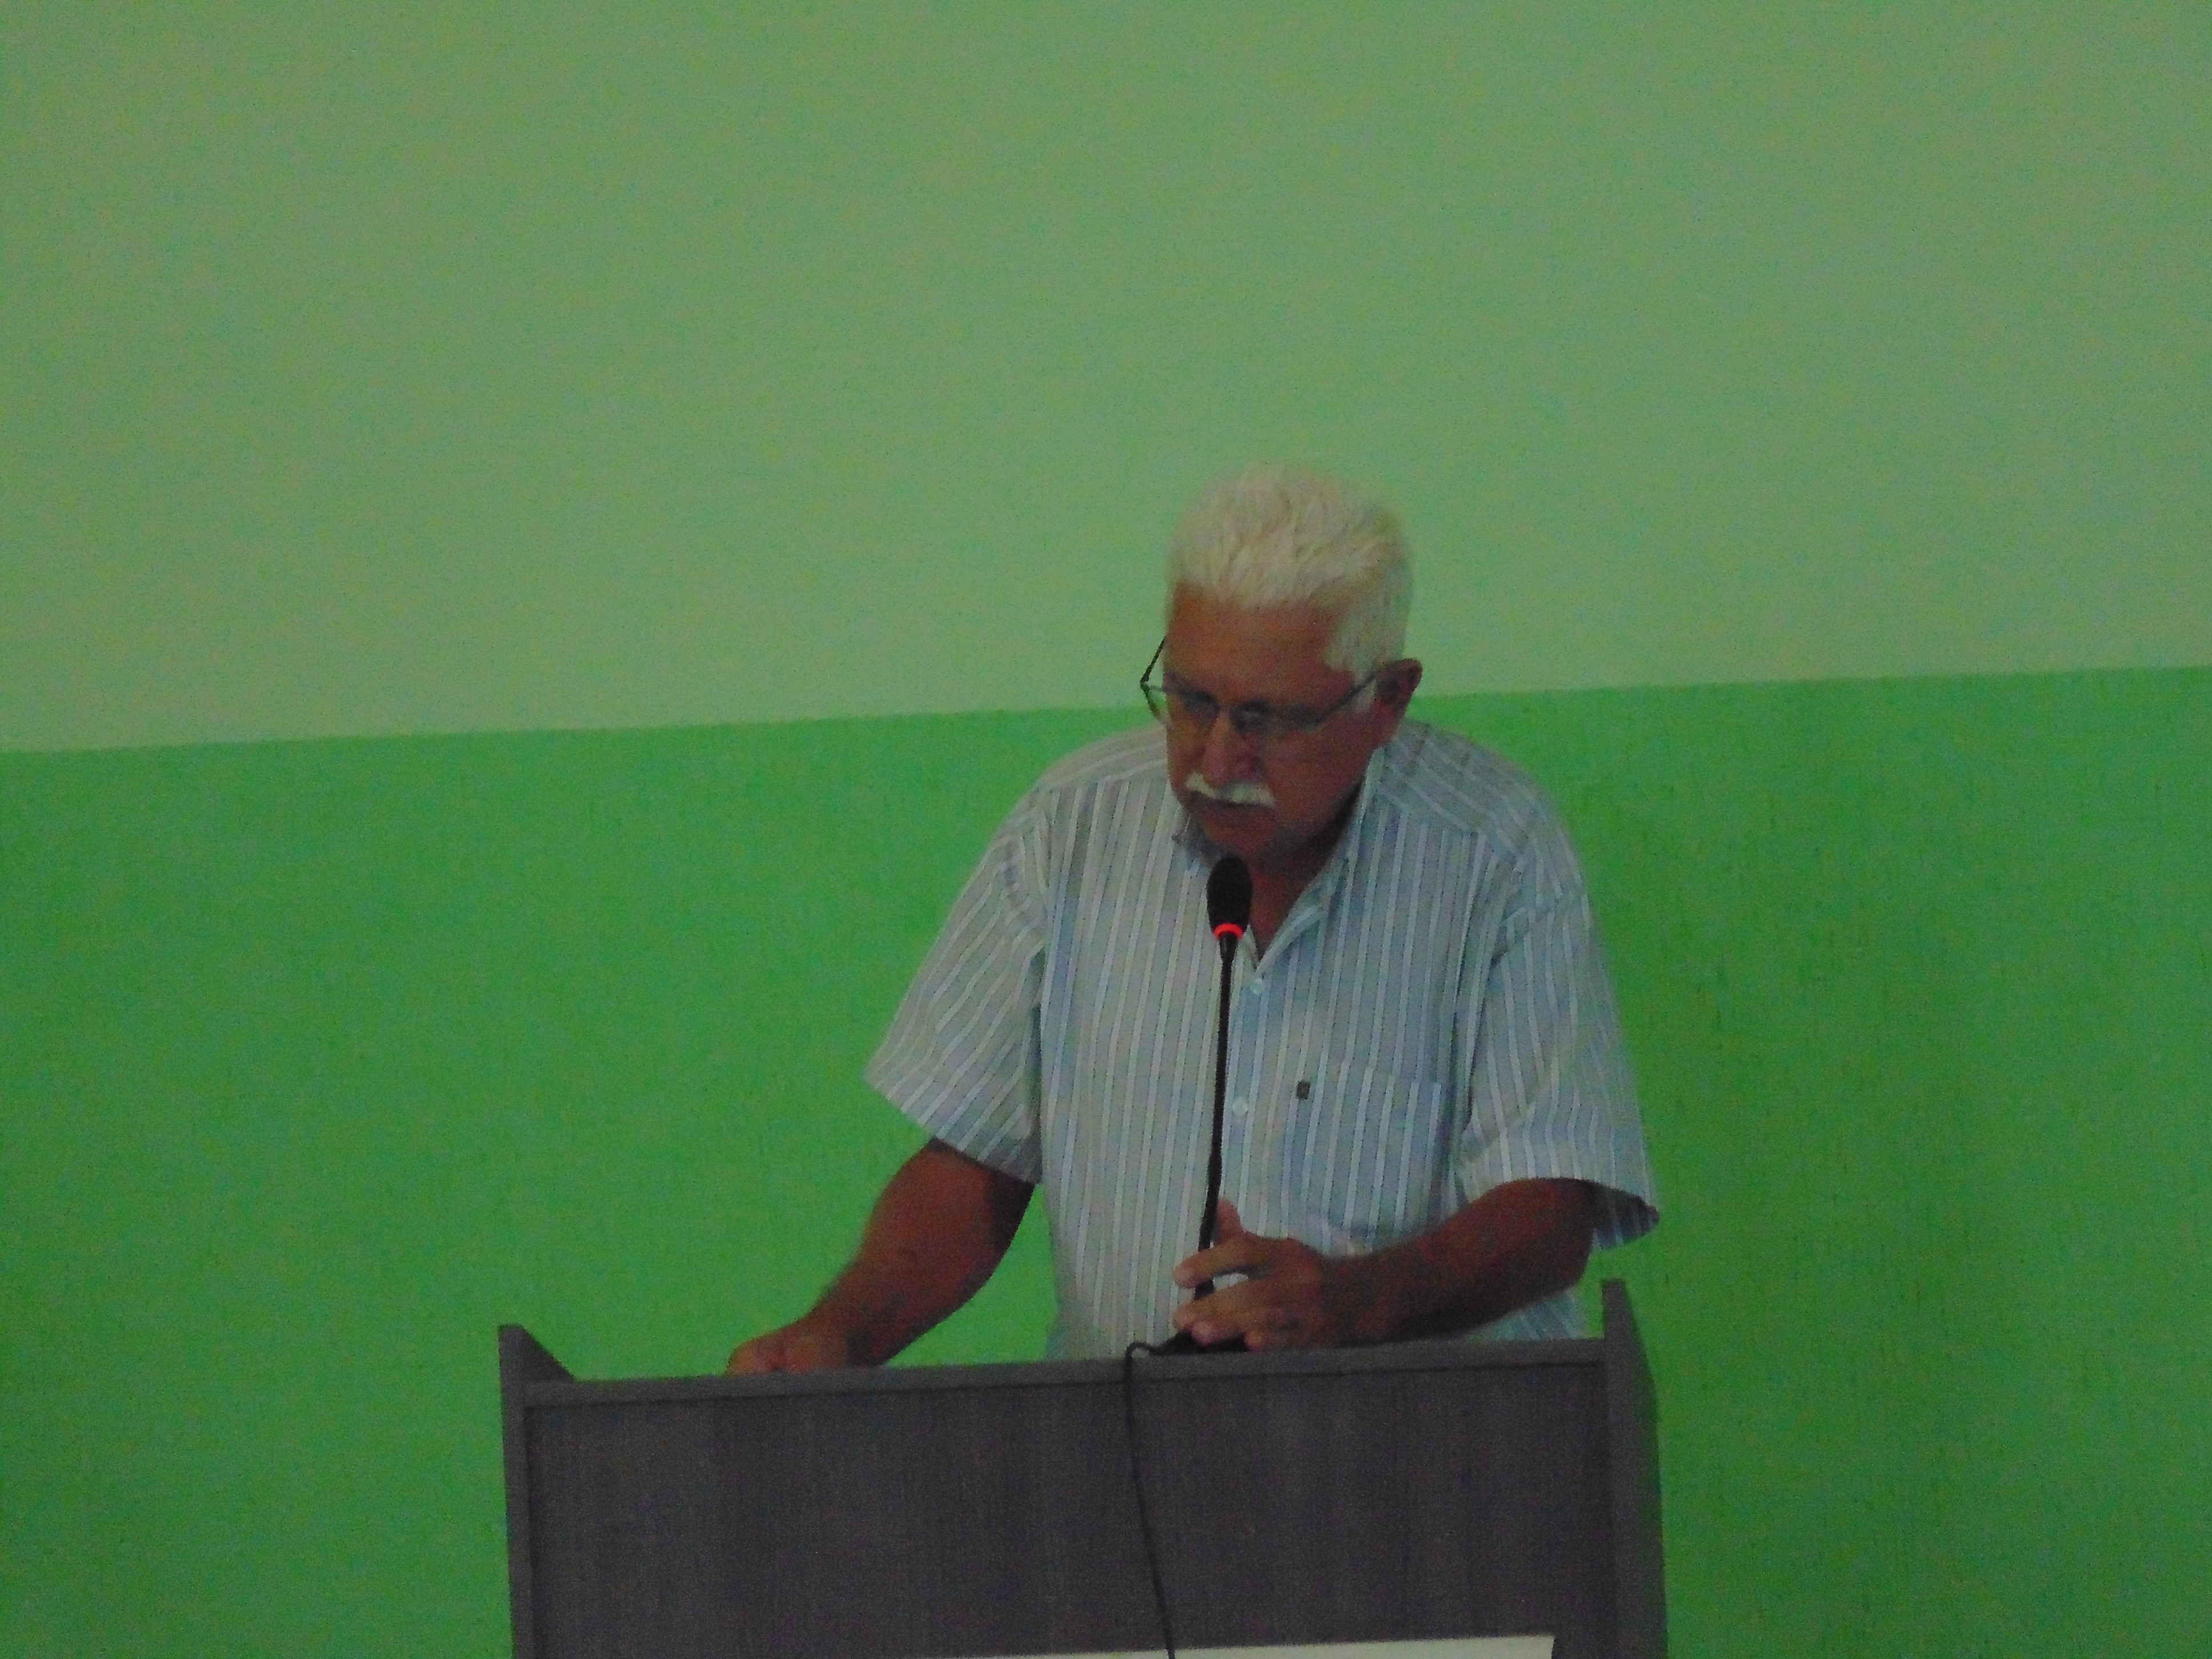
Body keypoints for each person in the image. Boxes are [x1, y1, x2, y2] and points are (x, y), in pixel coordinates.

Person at [728, 467, 1656, 1371]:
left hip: (1432, 1453)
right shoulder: (1070, 827)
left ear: (1388, 701)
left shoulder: (1496, 851)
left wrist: (1357, 1301)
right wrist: (842, 1334)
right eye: (1191, 700)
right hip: (1131, 1447)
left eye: (1269, 720)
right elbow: (974, 1163)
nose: (1217, 758)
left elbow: (1549, 1210)